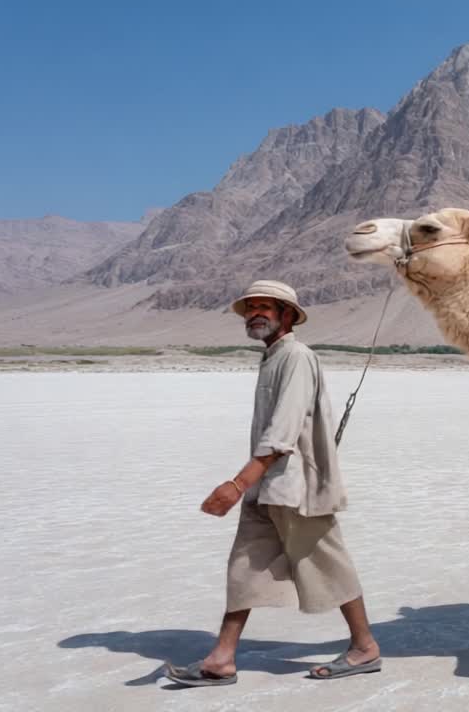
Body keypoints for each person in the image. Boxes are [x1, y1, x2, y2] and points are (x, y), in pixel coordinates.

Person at [164, 280, 380, 686]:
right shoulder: (273, 357)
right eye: (251, 308)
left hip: (294, 489)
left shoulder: (296, 357)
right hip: (266, 487)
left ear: (287, 315)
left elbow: (283, 431)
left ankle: (365, 647)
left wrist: (236, 484)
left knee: (327, 564)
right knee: (244, 566)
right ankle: (221, 658)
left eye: (265, 307)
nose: (255, 314)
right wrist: (249, 485)